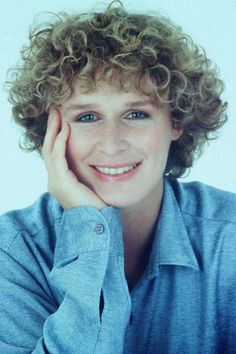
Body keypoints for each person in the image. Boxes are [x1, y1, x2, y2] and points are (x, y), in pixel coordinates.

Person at [1, 1, 236, 353]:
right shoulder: (14, 252)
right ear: (49, 131)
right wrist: (90, 234)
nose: (111, 144)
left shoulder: (229, 234)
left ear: (176, 122)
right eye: (87, 117)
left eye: (137, 113)